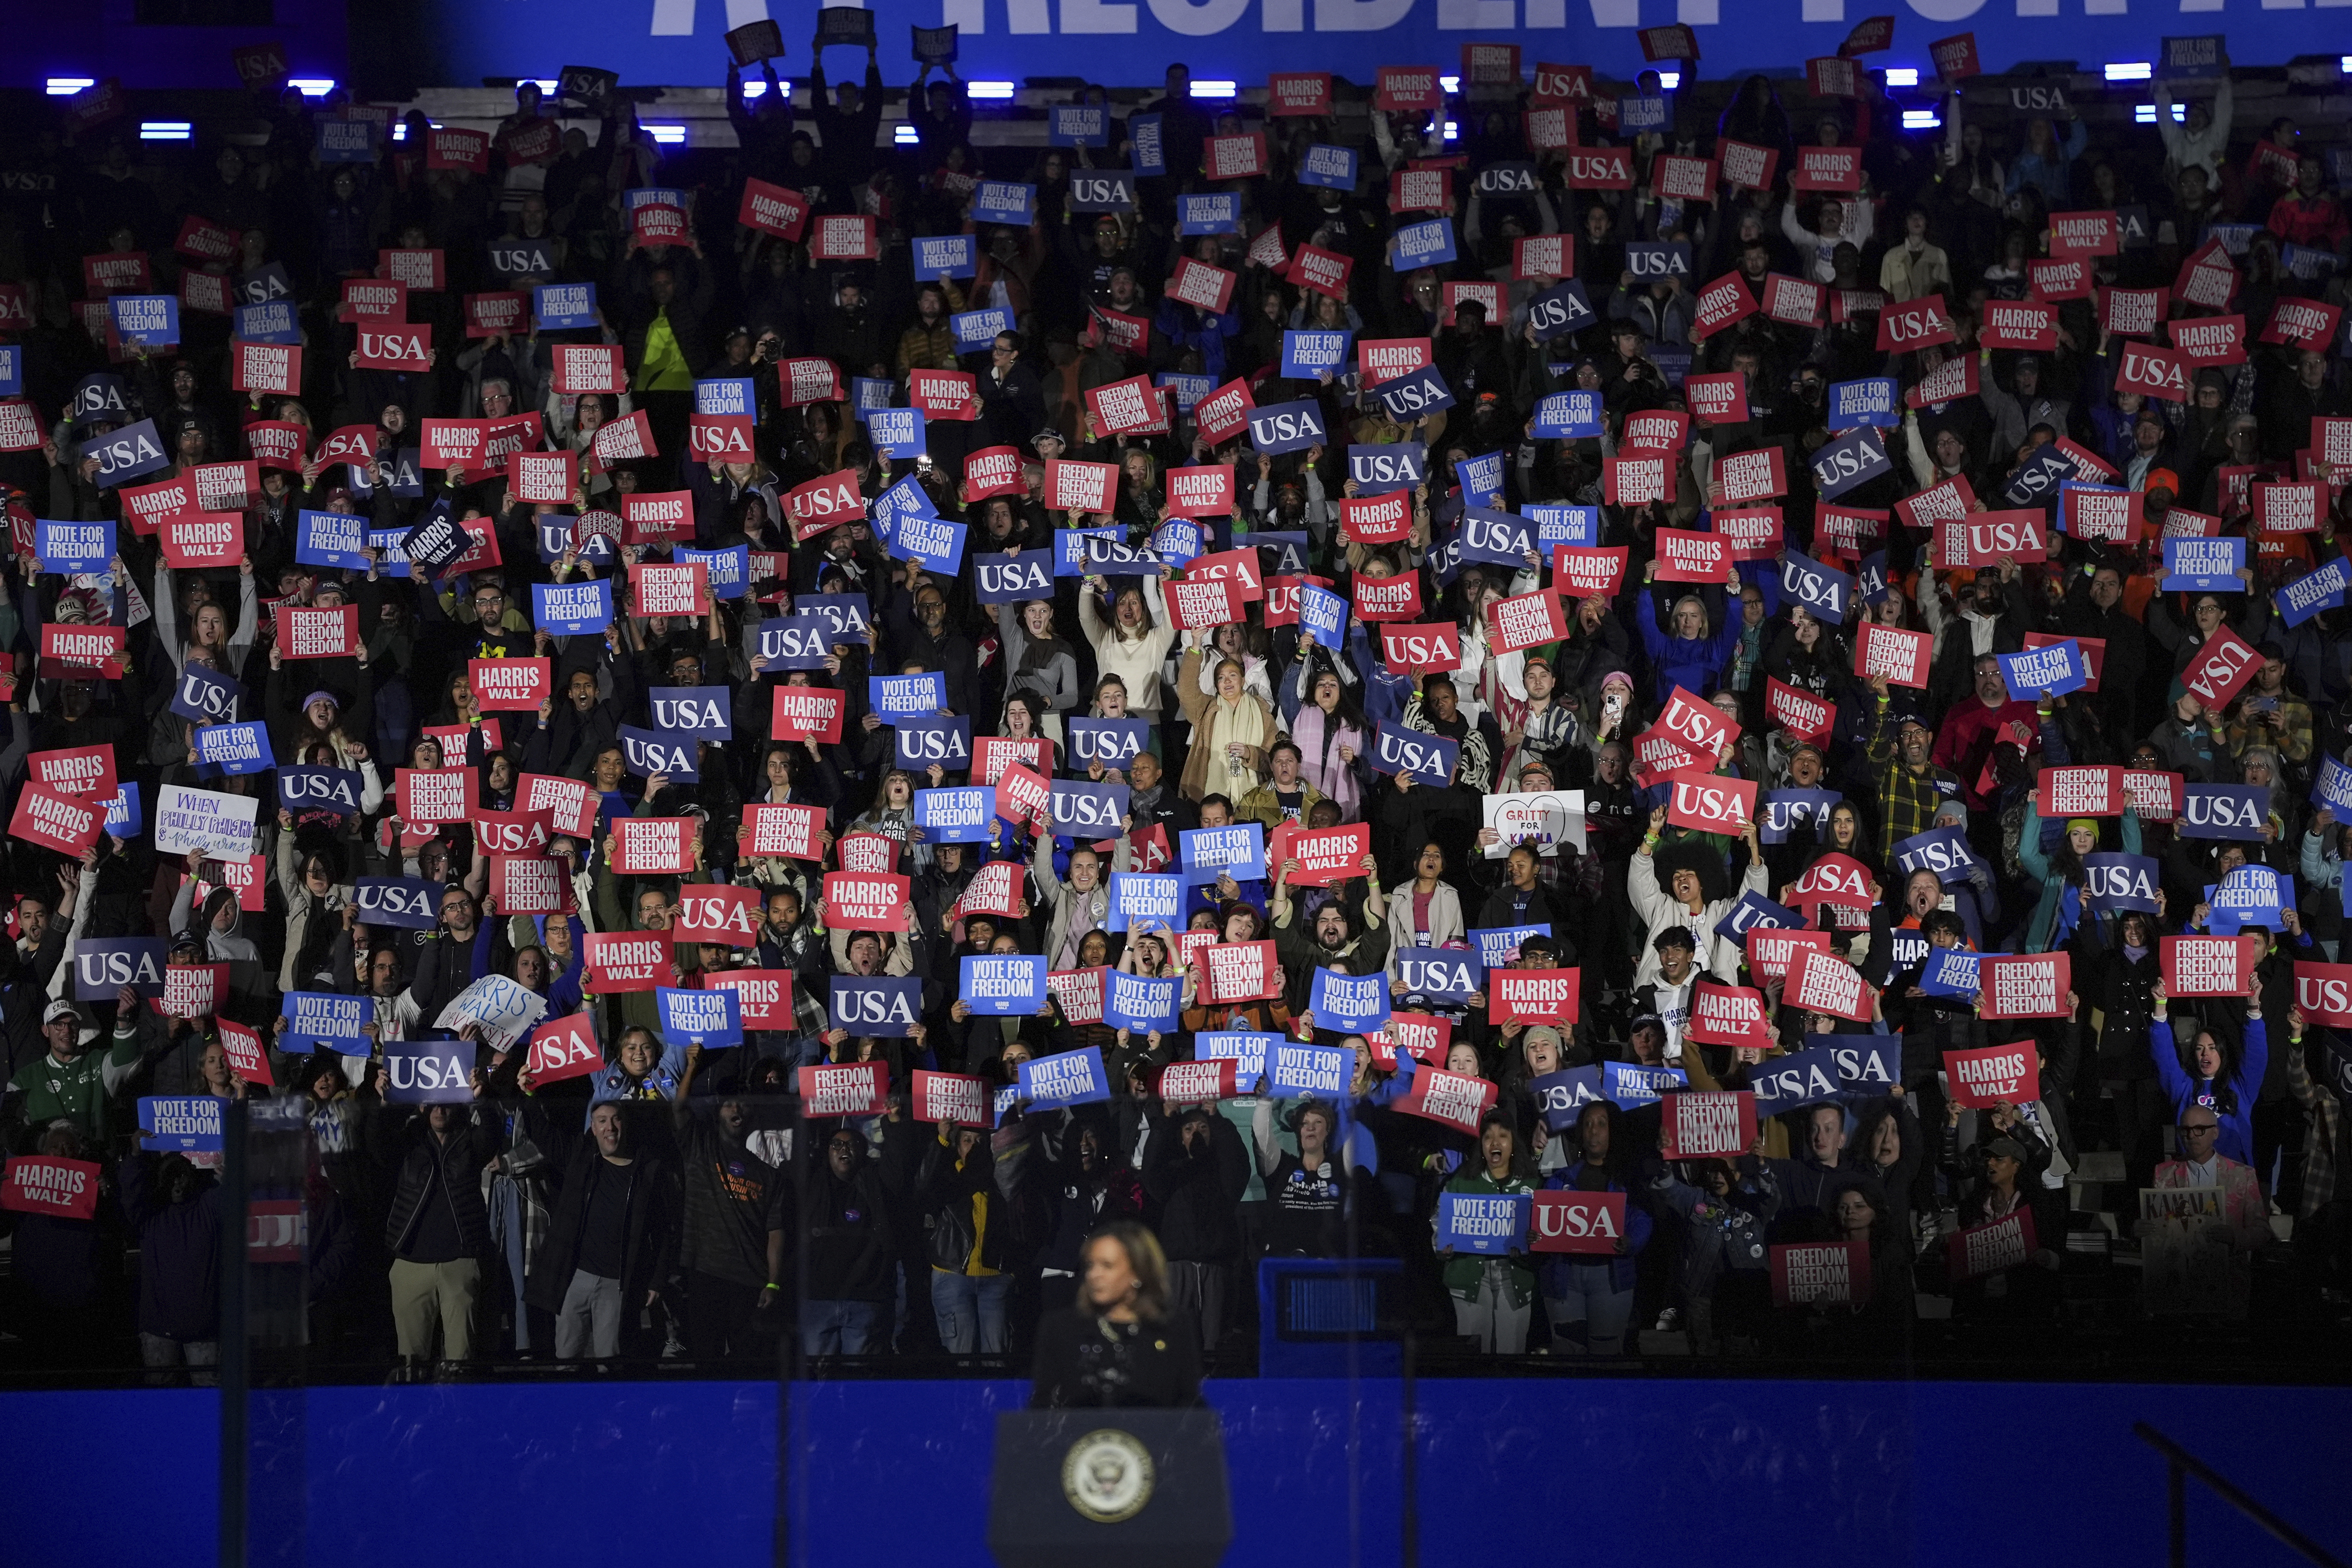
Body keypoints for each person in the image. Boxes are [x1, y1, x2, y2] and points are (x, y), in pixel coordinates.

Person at [528, 1102, 681, 1363]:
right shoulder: (581, 1159)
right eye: (602, 1120)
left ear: (625, 1124)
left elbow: (663, 1231)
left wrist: (656, 1280)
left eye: (616, 1119)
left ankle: (606, 1405)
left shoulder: (648, 1171)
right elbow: (543, 1134)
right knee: (566, 1358)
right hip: (575, 1277)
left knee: (610, 1362)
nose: (609, 1126)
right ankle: (569, 1405)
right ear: (593, 1128)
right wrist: (529, 1095)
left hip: (617, 1285)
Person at [1029, 1222, 1204, 1408]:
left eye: (1107, 1265)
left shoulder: (1173, 1327)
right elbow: (1041, 1406)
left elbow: (1190, 1406)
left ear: (1139, 1271)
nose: (1094, 1275)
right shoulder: (1061, 1328)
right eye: (1090, 1265)